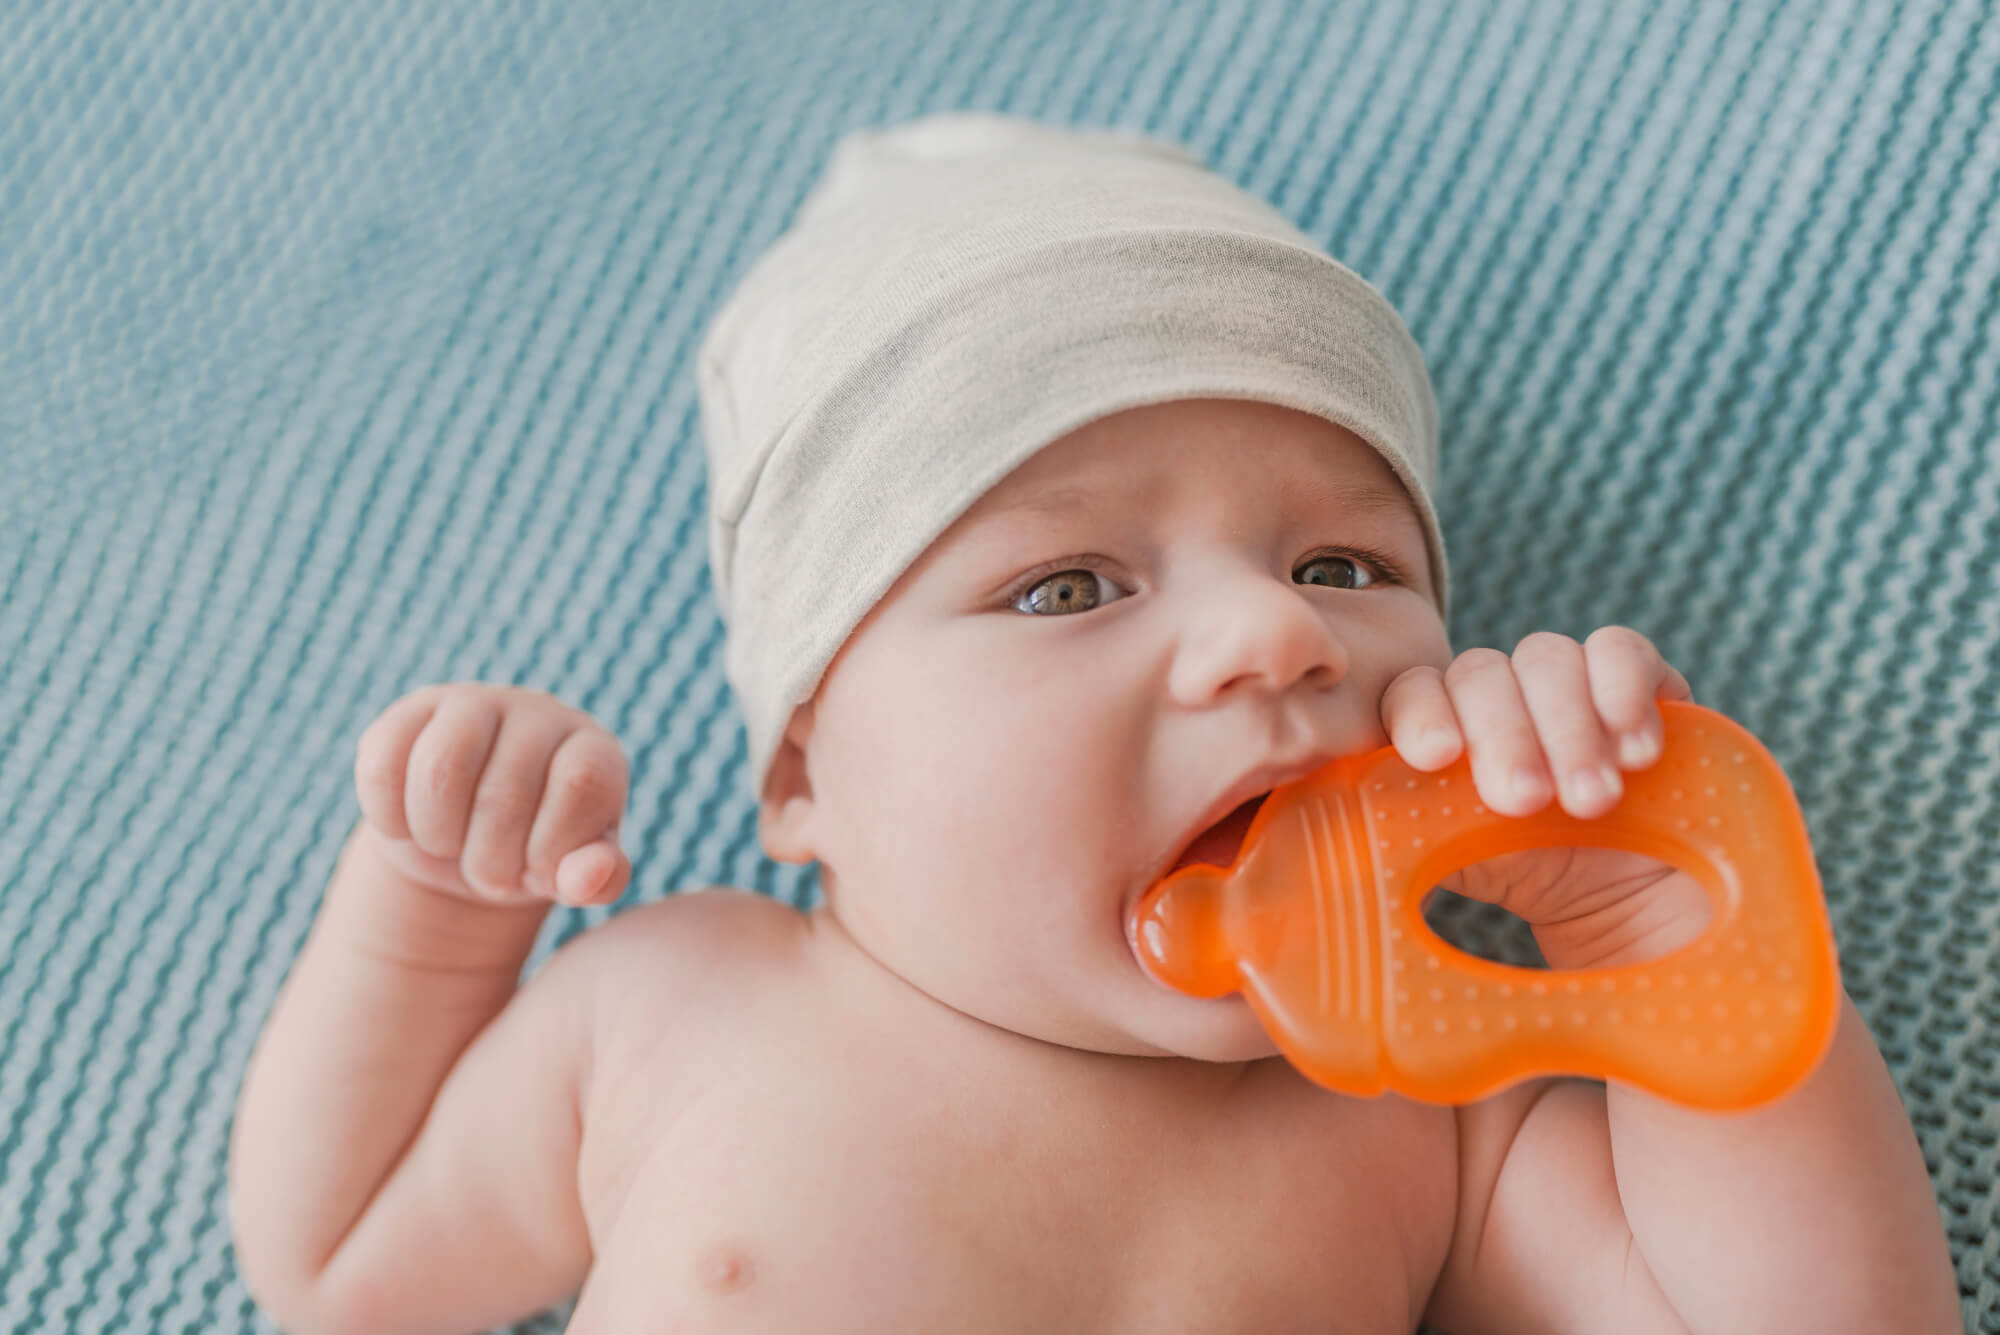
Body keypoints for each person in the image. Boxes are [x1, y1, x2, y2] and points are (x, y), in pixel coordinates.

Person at [227, 112, 1960, 1334]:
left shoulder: (1427, 1117)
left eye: (1347, 560)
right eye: (1067, 587)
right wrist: (440, 905)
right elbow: (337, 1266)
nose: (1277, 630)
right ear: (810, 765)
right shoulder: (678, 1000)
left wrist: (1658, 935)